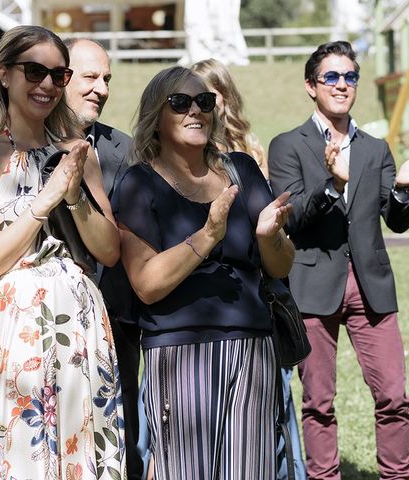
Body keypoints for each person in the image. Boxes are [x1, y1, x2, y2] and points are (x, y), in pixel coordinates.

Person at [0, 25, 126, 479]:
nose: (47, 85)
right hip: (19, 330)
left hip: (82, 329)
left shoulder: (78, 153)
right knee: (22, 459)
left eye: (59, 75)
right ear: (5, 74)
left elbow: (108, 251)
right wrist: (43, 200)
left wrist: (74, 196)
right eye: (34, 71)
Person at [114, 65, 295, 479]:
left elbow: (281, 265)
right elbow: (147, 284)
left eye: (204, 101)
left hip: (251, 346)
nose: (195, 110)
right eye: (180, 102)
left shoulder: (241, 170)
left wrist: (270, 237)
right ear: (155, 115)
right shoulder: (138, 184)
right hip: (178, 352)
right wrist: (209, 234)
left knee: (251, 471)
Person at [268, 40, 409, 480]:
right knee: (319, 401)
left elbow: (397, 220)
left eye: (350, 76)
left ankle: (397, 474)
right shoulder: (287, 145)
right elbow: (290, 221)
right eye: (331, 76)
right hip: (313, 285)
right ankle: (324, 476)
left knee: (394, 397)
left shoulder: (375, 149)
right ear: (312, 86)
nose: (342, 84)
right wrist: (331, 185)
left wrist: (404, 190)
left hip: (371, 285)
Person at [193, 57, 307, 480]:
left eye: (210, 97)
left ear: (226, 99)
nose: (200, 108)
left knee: (269, 415)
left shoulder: (250, 154)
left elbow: (272, 232)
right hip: (203, 305)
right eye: (189, 99)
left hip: (258, 295)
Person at [64, 37, 143, 479]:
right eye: (90, 77)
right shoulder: (23, 145)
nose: (102, 88)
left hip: (116, 324)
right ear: (62, 78)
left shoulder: (125, 150)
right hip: (47, 325)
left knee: (120, 439)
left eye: (106, 78)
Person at [191, 58, 268, 178]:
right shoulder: (190, 147)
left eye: (210, 96)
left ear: (226, 95)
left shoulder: (250, 146)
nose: (201, 105)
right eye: (195, 97)